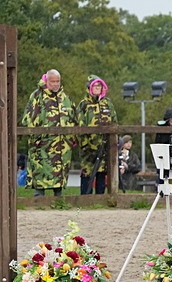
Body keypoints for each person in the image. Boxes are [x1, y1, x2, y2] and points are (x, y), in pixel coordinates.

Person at [20, 69, 75, 197]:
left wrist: (72, 138)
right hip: (42, 145)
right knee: (40, 176)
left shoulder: (65, 98)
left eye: (57, 81)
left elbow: (73, 118)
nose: (55, 84)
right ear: (46, 81)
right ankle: (39, 201)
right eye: (52, 81)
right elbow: (28, 119)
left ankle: (59, 202)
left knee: (59, 179)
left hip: (62, 147)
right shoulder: (37, 96)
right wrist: (37, 138)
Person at [75, 75, 117, 194]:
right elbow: (79, 125)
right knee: (87, 172)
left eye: (99, 85)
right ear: (89, 87)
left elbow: (114, 122)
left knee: (102, 172)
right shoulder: (83, 104)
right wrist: (84, 144)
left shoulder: (108, 103)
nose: (98, 88)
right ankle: (85, 198)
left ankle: (100, 198)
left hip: (104, 146)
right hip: (88, 148)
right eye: (95, 85)